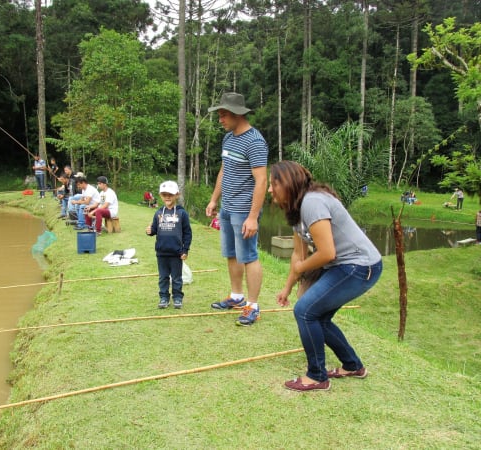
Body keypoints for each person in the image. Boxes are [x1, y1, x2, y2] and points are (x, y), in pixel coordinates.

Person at [270, 161, 383, 392]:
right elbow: (298, 255)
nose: (270, 189)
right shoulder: (296, 210)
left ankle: (317, 376)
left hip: (359, 266)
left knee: (305, 311)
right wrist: (287, 287)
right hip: (343, 266)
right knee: (318, 317)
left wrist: (301, 269)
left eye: (274, 183)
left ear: (289, 184)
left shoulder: (313, 202)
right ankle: (352, 366)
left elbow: (327, 253)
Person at [205, 92, 268, 326]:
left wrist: (252, 217)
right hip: (227, 207)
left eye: (223, 115)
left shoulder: (255, 141)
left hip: (245, 211)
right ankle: (236, 296)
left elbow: (262, 181)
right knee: (231, 254)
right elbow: (224, 170)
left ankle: (253, 306)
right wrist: (214, 200)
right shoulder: (229, 139)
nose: (220, 119)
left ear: (237, 114)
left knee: (249, 256)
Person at [146, 180, 192, 309]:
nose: (167, 197)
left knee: (177, 278)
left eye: (170, 194)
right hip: (161, 252)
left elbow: (187, 233)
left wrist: (185, 250)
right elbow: (154, 229)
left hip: (176, 253)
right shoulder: (158, 213)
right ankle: (164, 297)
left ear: (177, 195)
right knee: (163, 277)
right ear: (160, 195)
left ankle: (177, 297)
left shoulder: (182, 213)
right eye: (164, 194)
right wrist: (149, 231)